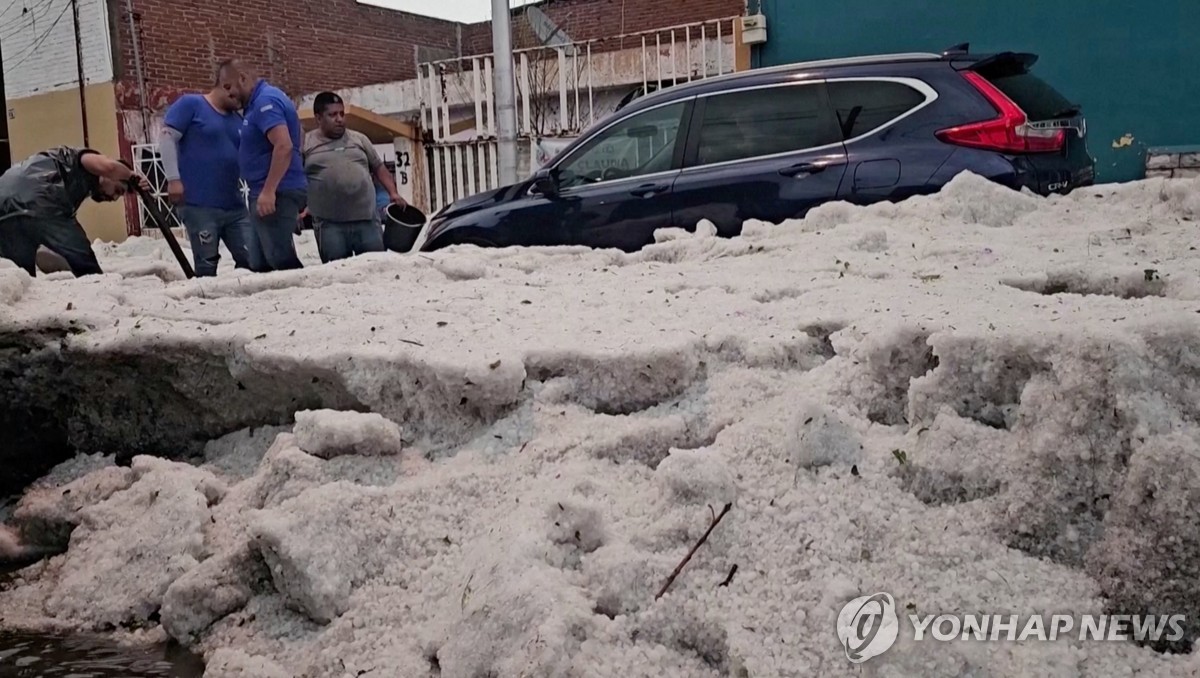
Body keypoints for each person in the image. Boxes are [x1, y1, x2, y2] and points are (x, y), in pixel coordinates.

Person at [0, 147, 150, 277]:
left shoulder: (65, 172)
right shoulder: (83, 158)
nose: (114, 198)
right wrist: (131, 176)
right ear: (109, 175)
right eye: (118, 190)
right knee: (84, 259)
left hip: (4, 200)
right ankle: (98, 288)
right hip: (41, 197)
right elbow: (109, 166)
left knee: (21, 275)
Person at [216, 58, 306, 272]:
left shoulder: (265, 103)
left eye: (229, 87)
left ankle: (306, 300)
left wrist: (269, 191)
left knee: (280, 259)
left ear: (243, 78)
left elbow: (283, 145)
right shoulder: (258, 104)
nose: (228, 94)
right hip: (266, 191)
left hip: (277, 192)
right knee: (258, 263)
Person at [158, 76, 250, 277]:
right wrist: (173, 178)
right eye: (238, 97)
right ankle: (205, 303)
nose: (241, 103)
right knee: (207, 263)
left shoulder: (238, 120)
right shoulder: (192, 104)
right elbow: (166, 138)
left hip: (233, 205)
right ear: (227, 86)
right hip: (199, 204)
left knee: (252, 257)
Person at [301, 92, 405, 263]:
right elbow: (297, 176)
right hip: (329, 225)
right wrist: (302, 205)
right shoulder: (307, 143)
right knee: (338, 274)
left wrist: (393, 193)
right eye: (333, 115)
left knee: (376, 269)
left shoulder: (359, 139)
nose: (339, 119)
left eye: (342, 114)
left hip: (367, 221)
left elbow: (378, 166)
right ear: (318, 118)